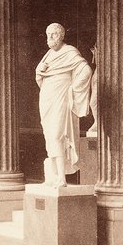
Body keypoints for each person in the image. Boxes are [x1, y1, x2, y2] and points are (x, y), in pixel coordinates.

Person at [34, 23, 93, 188]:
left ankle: (62, 178)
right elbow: (40, 77)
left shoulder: (70, 52)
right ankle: (53, 175)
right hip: (47, 100)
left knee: (57, 135)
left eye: (53, 34)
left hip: (61, 99)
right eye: (48, 34)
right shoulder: (48, 55)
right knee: (49, 135)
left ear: (61, 36)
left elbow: (86, 70)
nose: (50, 38)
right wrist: (39, 71)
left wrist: (73, 89)